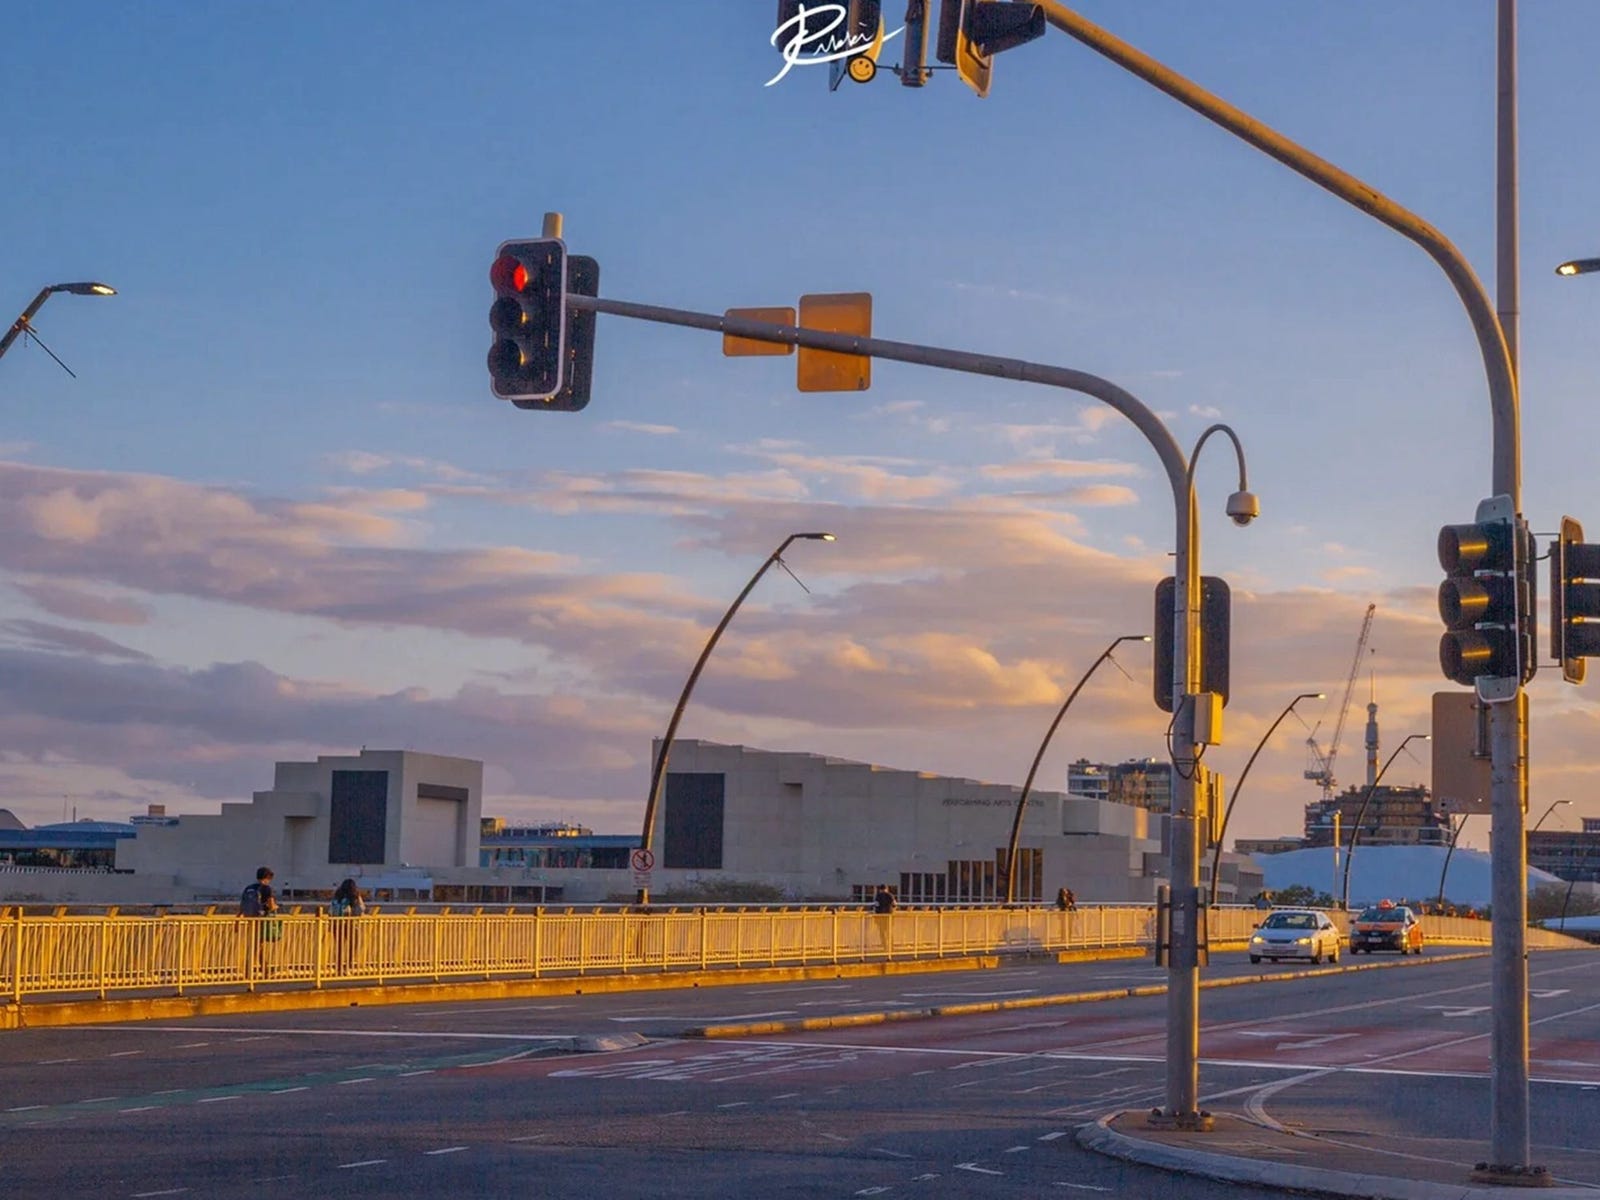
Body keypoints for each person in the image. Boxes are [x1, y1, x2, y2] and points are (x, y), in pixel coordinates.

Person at [239, 866, 280, 973]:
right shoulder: (266, 888)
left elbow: (242, 905)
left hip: (250, 918)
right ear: (267, 878)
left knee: (257, 943)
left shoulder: (249, 888)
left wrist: (238, 918)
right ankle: (250, 969)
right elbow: (271, 905)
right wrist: (276, 907)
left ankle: (264, 968)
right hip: (260, 918)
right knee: (257, 944)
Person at [329, 877, 366, 974]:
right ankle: (348, 966)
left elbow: (330, 909)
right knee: (353, 945)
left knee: (339, 946)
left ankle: (339, 968)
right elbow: (361, 909)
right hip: (351, 924)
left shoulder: (337, 895)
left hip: (336, 924)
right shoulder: (354, 896)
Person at [872, 884, 896, 955]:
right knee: (889, 932)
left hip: (881, 917)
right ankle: (891, 947)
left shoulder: (878, 896)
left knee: (882, 932)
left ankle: (885, 947)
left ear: (880, 889)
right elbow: (894, 904)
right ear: (886, 889)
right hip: (889, 917)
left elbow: (876, 906)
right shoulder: (890, 895)